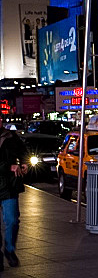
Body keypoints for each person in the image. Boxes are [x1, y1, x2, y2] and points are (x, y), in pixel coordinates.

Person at [0, 112, 28, 269]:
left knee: (12, 221)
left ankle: (9, 250)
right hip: (6, 180)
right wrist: (9, 166)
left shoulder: (11, 136)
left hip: (9, 186)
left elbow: (24, 151)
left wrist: (24, 162)